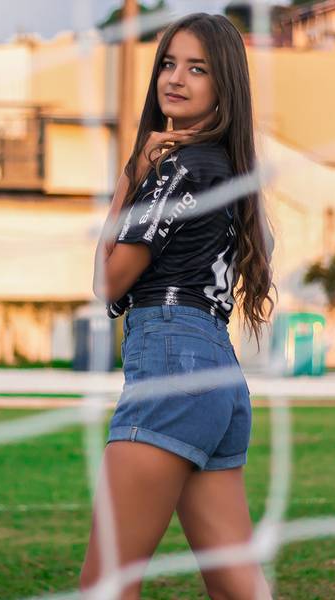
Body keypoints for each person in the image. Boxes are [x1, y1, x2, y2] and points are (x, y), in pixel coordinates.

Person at [81, 12, 275, 600]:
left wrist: (128, 178)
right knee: (239, 586)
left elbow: (109, 280)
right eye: (169, 63)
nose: (176, 78)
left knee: (105, 584)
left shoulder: (181, 167)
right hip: (217, 375)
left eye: (198, 69)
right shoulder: (225, 166)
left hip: (172, 363)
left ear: (224, 87)